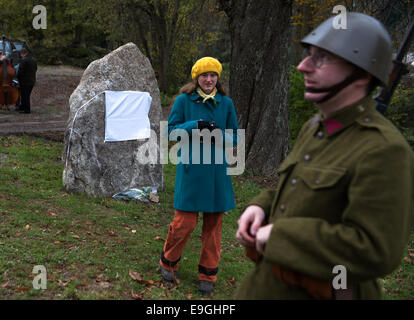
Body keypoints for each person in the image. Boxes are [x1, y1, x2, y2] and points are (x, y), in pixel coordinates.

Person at [235, 12, 414, 300]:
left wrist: (280, 237)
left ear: (362, 73)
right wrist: (259, 207)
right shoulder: (315, 127)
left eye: (322, 59)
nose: (303, 66)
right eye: (309, 55)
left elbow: (375, 249)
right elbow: (294, 191)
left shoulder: (385, 150)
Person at [159, 57, 239, 294]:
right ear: (196, 78)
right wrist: (196, 125)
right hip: (191, 169)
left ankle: (208, 274)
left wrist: (218, 134)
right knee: (185, 222)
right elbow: (171, 132)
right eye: (204, 75)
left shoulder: (226, 103)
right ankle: (168, 261)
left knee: (213, 227)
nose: (208, 79)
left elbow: (235, 137)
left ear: (218, 78)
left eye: (213, 75)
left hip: (216, 172)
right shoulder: (184, 101)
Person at [16, 48, 37, 114]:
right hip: (32, 80)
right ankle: (23, 107)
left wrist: (18, 79)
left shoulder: (24, 60)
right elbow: (36, 69)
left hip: (24, 81)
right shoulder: (33, 60)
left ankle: (26, 109)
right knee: (27, 95)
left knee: (25, 96)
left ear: (22, 53)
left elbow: (20, 71)